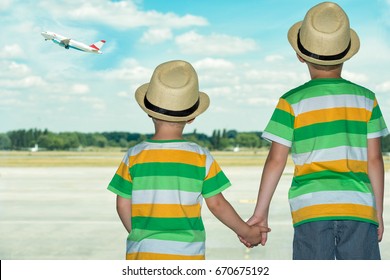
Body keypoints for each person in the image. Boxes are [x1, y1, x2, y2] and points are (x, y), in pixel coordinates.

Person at [243, 2, 389, 259]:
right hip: (358, 207)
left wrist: (260, 211)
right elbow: (374, 160)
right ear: (346, 54)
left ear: (300, 55)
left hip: (310, 208)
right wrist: (377, 210)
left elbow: (276, 160)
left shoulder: (290, 101)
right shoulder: (367, 99)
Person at [107, 60, 270, 260]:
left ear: (149, 112)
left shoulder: (133, 155)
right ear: (191, 117)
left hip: (143, 254)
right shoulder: (200, 157)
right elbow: (217, 204)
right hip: (187, 256)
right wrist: (246, 231)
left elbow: (122, 205)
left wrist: (141, 236)